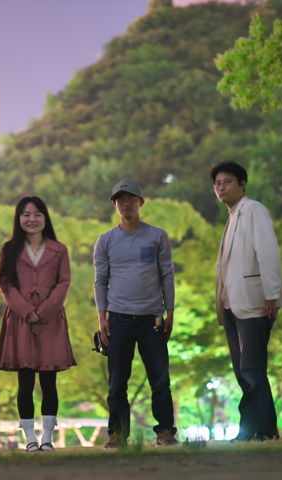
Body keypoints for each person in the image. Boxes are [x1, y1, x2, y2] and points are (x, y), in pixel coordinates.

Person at [93, 179, 178, 448]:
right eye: (120, 200)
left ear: (141, 202)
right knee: (117, 383)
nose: (126, 204)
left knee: (160, 380)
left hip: (152, 319)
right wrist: (102, 318)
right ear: (115, 204)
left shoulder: (157, 236)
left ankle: (165, 431)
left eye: (131, 199)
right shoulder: (106, 240)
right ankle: (118, 434)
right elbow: (100, 281)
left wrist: (170, 312)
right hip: (118, 319)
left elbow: (167, 275)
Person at [211, 161, 282, 441]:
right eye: (217, 183)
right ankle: (264, 429)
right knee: (244, 371)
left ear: (243, 184)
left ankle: (251, 430)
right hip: (232, 304)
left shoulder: (253, 209)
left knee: (252, 369)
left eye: (227, 181)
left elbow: (268, 252)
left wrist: (271, 294)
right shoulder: (233, 216)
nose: (221, 187)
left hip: (255, 301)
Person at [0, 196, 76, 452]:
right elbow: (5, 283)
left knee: (49, 381)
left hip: (51, 321)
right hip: (21, 322)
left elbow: (63, 282)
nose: (32, 219)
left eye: (37, 214)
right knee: (25, 380)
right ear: (19, 218)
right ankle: (29, 438)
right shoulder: (9, 249)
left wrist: (45, 310)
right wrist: (27, 311)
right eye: (26, 214)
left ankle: (47, 438)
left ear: (45, 218)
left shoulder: (59, 250)